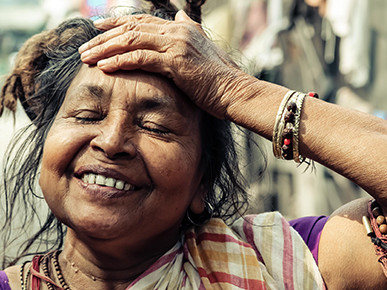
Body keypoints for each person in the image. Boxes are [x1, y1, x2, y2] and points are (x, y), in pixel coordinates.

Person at [0, 1, 386, 289]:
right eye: (86, 115)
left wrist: (237, 91)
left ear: (202, 181)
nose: (112, 141)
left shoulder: (285, 262)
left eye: (155, 126)